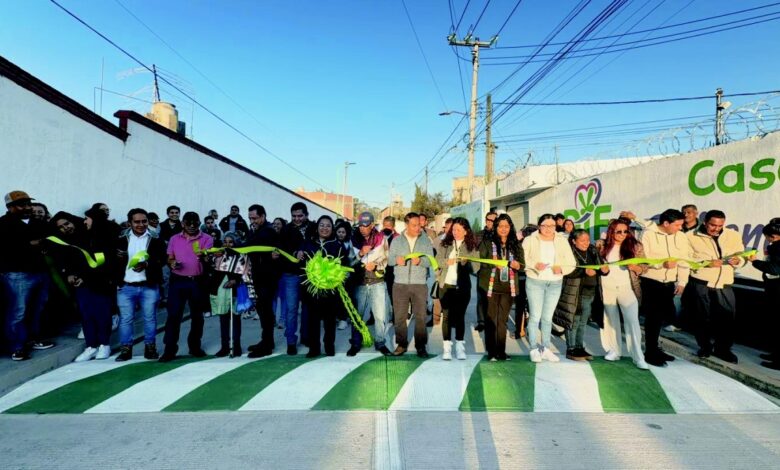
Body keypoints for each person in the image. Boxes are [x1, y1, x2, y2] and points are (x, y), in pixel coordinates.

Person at [622, 209, 690, 367]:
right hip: (651, 281)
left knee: (661, 317)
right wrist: (662, 264)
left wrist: (682, 282)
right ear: (666, 223)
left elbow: (684, 260)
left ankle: (655, 348)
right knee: (653, 317)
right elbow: (644, 259)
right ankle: (650, 352)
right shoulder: (648, 234)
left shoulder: (681, 237)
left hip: (669, 282)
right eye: (677, 225)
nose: (680, 228)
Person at [687, 210, 746, 363]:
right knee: (702, 317)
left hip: (725, 283)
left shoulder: (733, 235)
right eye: (713, 225)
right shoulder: (690, 236)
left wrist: (738, 261)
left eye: (720, 225)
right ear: (705, 222)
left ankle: (723, 349)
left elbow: (742, 256)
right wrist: (706, 263)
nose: (716, 229)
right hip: (701, 282)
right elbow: (685, 260)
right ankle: (705, 347)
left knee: (727, 318)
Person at [0, 191, 54, 361]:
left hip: (40, 272)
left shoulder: (38, 222)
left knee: (39, 308)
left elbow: (50, 239)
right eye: (22, 204)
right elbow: (6, 248)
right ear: (10, 207)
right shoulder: (3, 224)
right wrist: (31, 244)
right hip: (17, 274)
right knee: (18, 311)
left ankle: (35, 339)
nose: (27, 207)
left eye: (28, 203)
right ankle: (17, 347)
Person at [59, 207, 117, 362]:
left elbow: (103, 263)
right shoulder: (81, 237)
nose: (84, 222)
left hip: (101, 283)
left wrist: (85, 277)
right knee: (86, 315)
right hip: (83, 285)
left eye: (87, 219)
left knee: (102, 314)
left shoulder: (105, 238)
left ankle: (104, 345)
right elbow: (74, 260)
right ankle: (91, 346)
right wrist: (72, 274)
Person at [159, 211, 213, 362]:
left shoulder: (207, 238)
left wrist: (205, 257)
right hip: (178, 281)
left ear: (199, 223)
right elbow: (170, 257)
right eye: (188, 223)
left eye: (195, 223)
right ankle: (169, 349)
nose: (192, 226)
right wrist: (172, 263)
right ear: (182, 223)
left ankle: (194, 346)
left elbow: (208, 259)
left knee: (197, 316)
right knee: (173, 315)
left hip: (197, 281)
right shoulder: (174, 238)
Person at [114, 208, 167, 361]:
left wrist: (147, 264)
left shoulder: (155, 238)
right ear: (130, 222)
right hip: (126, 286)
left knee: (150, 318)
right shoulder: (120, 238)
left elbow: (163, 258)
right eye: (137, 222)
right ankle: (126, 349)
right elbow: (110, 259)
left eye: (144, 221)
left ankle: (150, 348)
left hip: (148, 285)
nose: (141, 224)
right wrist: (117, 258)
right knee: (126, 319)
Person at [523, 214, 576, 362]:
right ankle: (533, 348)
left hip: (555, 283)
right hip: (535, 281)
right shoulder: (530, 240)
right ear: (539, 226)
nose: (548, 229)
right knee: (535, 316)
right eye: (545, 225)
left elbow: (571, 262)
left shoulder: (561, 240)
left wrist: (562, 269)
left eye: (552, 226)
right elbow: (522, 259)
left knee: (547, 318)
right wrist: (534, 265)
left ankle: (546, 348)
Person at [599, 218, 650, 370]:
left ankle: (638, 356)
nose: (622, 234)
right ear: (611, 232)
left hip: (627, 288)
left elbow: (645, 267)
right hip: (607, 287)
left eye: (626, 231)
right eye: (618, 231)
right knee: (610, 320)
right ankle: (614, 350)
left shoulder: (636, 246)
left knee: (632, 321)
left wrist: (636, 268)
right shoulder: (601, 245)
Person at [553, 229, 608, 361]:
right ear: (574, 241)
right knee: (574, 320)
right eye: (582, 240)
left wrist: (605, 270)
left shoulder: (593, 250)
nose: (586, 243)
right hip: (574, 290)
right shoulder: (569, 251)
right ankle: (571, 348)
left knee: (583, 321)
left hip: (590, 291)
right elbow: (566, 270)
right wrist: (584, 272)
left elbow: (600, 265)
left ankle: (579, 346)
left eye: (587, 240)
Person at [388, 212, 434, 357]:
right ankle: (401, 344)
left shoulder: (426, 241)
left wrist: (421, 261)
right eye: (414, 225)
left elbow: (431, 261)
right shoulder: (396, 240)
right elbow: (389, 260)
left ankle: (421, 346)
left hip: (419, 284)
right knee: (400, 317)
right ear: (406, 225)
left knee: (421, 317)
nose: (417, 228)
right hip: (400, 284)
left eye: (419, 225)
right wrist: (396, 260)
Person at [349, 212, 393, 356]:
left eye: (365, 225)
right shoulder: (353, 239)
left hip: (377, 282)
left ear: (372, 225)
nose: (362, 228)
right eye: (360, 225)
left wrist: (376, 265)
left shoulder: (381, 239)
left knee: (380, 316)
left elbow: (387, 259)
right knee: (357, 315)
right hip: (359, 282)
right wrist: (360, 254)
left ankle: (380, 343)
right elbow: (349, 263)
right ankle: (355, 343)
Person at [435, 217, 479, 360]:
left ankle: (460, 347)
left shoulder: (471, 246)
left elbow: (476, 267)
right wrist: (446, 262)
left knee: (460, 317)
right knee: (447, 317)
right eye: (453, 229)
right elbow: (437, 261)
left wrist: (467, 262)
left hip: (462, 287)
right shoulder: (445, 244)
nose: (455, 232)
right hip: (446, 285)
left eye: (459, 230)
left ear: (466, 231)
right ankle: (447, 348)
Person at [301, 216, 345, 357]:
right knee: (312, 320)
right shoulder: (309, 243)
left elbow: (343, 267)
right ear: (317, 227)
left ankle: (329, 346)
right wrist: (298, 253)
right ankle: (314, 348)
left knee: (329, 320)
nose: (324, 228)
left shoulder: (337, 245)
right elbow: (300, 260)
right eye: (322, 225)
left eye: (328, 226)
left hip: (330, 290)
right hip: (312, 289)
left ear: (332, 229)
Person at [278, 202, 317, 355]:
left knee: (308, 309)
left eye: (300, 216)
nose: (297, 219)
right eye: (294, 216)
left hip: (311, 275)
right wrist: (294, 253)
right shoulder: (286, 229)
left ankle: (306, 337)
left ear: (306, 215)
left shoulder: (314, 227)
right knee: (291, 309)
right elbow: (280, 250)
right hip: (291, 275)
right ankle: (291, 341)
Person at [245, 204, 280, 358]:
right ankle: (266, 340)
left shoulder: (268, 231)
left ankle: (267, 345)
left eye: (255, 218)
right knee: (261, 308)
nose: (252, 221)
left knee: (265, 310)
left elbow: (251, 245)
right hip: (258, 275)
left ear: (263, 216)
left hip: (267, 277)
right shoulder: (256, 230)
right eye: (250, 218)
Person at [209, 232, 246, 358]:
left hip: (234, 290)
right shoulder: (218, 255)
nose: (227, 244)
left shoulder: (241, 256)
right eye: (225, 242)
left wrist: (235, 280)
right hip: (220, 290)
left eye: (230, 242)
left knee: (235, 318)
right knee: (223, 319)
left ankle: (236, 346)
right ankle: (224, 346)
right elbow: (211, 270)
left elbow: (245, 272)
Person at [752, 218, 780, 370]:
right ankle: (775, 355)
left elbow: (774, 269)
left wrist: (755, 261)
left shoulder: (777, 247)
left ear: (773, 236)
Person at [475, 211, 497, 332]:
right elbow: (474, 250)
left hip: (497, 270)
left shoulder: (500, 234)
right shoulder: (479, 235)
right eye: (488, 219)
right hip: (482, 270)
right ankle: (481, 322)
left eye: (493, 220)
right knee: (481, 297)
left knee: (494, 298)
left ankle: (493, 320)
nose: (490, 222)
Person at [335, 220, 357, 331]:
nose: (341, 234)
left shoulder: (350, 243)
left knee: (347, 297)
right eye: (339, 232)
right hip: (335, 275)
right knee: (337, 298)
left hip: (348, 276)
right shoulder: (333, 243)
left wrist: (348, 271)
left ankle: (344, 319)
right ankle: (339, 316)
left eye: (343, 232)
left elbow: (354, 259)